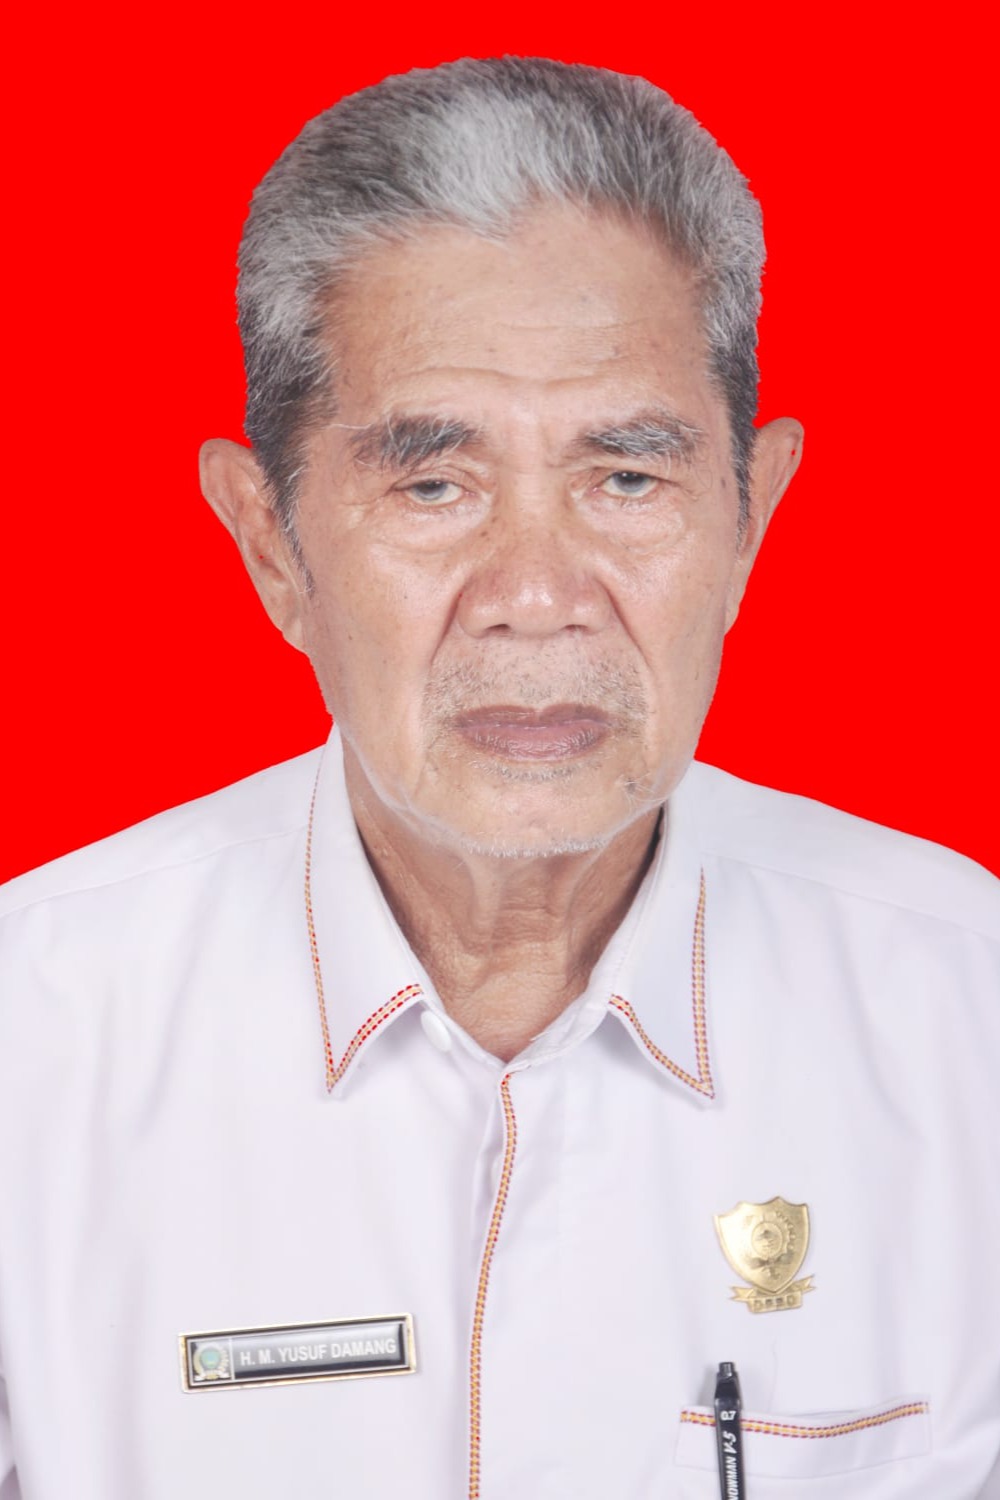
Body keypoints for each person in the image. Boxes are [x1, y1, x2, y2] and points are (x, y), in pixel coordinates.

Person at [0, 56, 997, 1500]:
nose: (537, 597)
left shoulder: (965, 1011)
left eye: (627, 478)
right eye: (433, 484)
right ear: (271, 545)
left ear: (750, 521)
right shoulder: (33, 1038)